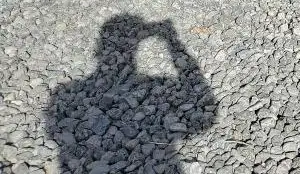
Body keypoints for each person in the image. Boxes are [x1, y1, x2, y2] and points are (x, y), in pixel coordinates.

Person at [45, 15, 217, 173]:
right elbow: (206, 119)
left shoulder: (62, 92)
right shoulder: (156, 83)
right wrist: (172, 43)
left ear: (98, 49)